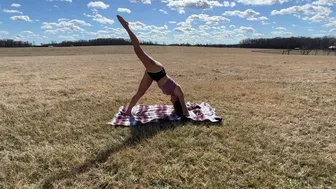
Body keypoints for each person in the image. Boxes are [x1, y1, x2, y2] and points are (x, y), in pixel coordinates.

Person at [116, 15, 190, 118]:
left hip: (153, 75)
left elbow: (179, 106)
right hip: (157, 70)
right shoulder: (179, 92)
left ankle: (128, 111)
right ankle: (127, 27)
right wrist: (186, 112)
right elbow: (185, 108)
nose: (171, 101)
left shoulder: (174, 95)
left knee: (140, 92)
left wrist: (178, 109)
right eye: (173, 102)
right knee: (138, 50)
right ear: (177, 100)